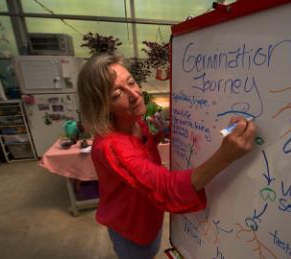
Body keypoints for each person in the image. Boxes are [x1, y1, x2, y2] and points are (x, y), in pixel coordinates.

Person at [77, 53, 256, 259]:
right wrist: (225, 156)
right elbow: (165, 187)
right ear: (101, 106)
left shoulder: (136, 122)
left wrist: (159, 134)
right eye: (117, 94)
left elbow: (142, 148)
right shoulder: (111, 147)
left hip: (150, 214)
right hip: (131, 226)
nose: (134, 94)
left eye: (131, 82)